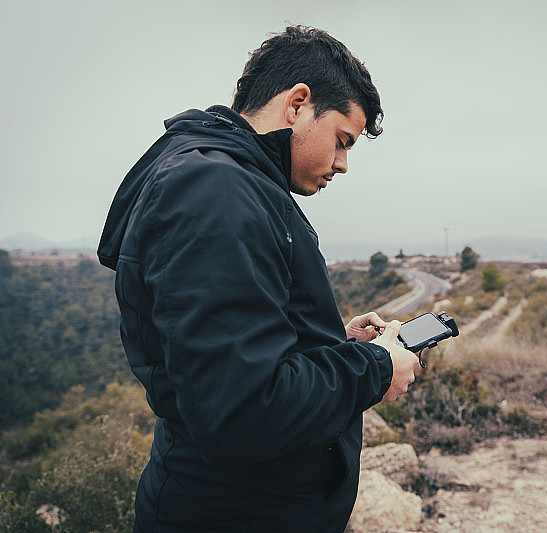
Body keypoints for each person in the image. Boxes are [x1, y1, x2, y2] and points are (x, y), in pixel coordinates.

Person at [97, 25, 422, 532]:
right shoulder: (216, 192)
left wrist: (336, 346)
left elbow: (236, 357)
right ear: (297, 104)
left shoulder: (234, 184)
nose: (342, 164)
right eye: (342, 141)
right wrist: (375, 368)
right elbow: (244, 411)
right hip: (233, 513)